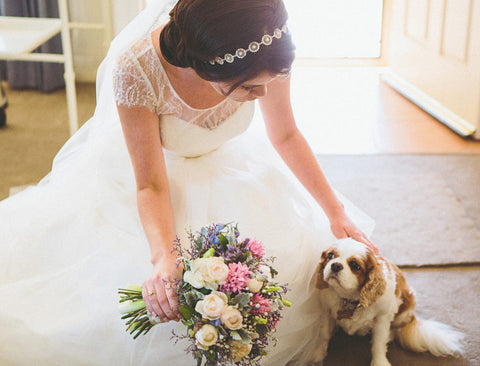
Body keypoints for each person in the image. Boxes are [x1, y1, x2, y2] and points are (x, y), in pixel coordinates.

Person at [0, 0, 376, 364]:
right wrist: (164, 255)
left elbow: (285, 135)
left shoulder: (266, 46)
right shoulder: (137, 70)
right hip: (154, 175)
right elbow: (150, 186)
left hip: (230, 168)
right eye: (248, 89)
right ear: (206, 67)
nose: (261, 95)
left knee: (285, 277)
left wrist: (335, 211)